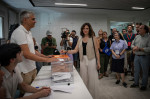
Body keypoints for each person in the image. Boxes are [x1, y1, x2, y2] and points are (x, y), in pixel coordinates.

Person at [10, 11, 58, 85]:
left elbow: (32, 51)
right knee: (26, 93)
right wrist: (47, 60)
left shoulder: (29, 32)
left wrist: (45, 56)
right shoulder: (19, 32)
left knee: (33, 89)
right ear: (25, 19)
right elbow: (27, 54)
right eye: (33, 19)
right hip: (24, 70)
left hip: (32, 67)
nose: (35, 21)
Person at [61, 23, 100, 99]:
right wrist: (66, 51)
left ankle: (92, 96)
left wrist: (98, 62)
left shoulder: (93, 38)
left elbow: (97, 51)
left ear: (89, 29)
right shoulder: (80, 39)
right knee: (84, 78)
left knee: (92, 79)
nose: (85, 30)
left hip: (92, 60)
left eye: (87, 28)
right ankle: (86, 95)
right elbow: (75, 50)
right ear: (82, 29)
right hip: (82, 60)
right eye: (84, 28)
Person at [130, 25, 150, 90]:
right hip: (136, 56)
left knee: (145, 72)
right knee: (136, 71)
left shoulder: (149, 37)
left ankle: (144, 85)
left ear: (145, 30)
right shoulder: (137, 37)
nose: (138, 29)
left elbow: (149, 48)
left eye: (141, 28)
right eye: (138, 28)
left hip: (145, 57)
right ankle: (136, 83)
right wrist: (134, 47)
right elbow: (132, 44)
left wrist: (140, 49)